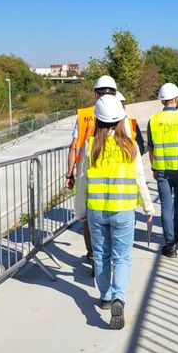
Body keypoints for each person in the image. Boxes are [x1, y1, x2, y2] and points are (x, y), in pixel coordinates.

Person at [74, 94, 154, 330]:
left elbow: (82, 182)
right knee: (122, 257)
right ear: (121, 120)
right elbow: (140, 180)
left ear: (97, 121)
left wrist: (80, 210)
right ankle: (119, 297)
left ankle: (107, 297)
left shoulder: (90, 146)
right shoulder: (131, 146)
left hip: (97, 211)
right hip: (123, 212)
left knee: (101, 255)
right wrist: (148, 207)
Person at [65, 75, 118, 271]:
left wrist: (70, 174)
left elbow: (73, 147)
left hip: (87, 175)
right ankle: (109, 256)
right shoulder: (121, 113)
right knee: (112, 217)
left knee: (89, 219)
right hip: (115, 175)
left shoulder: (84, 115)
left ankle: (93, 254)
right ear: (114, 92)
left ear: (95, 93)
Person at [147, 82, 178, 258]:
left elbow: (151, 148)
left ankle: (170, 245)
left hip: (161, 170)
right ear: (176, 99)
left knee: (166, 207)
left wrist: (154, 166)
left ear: (162, 101)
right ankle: (177, 233)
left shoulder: (153, 121)